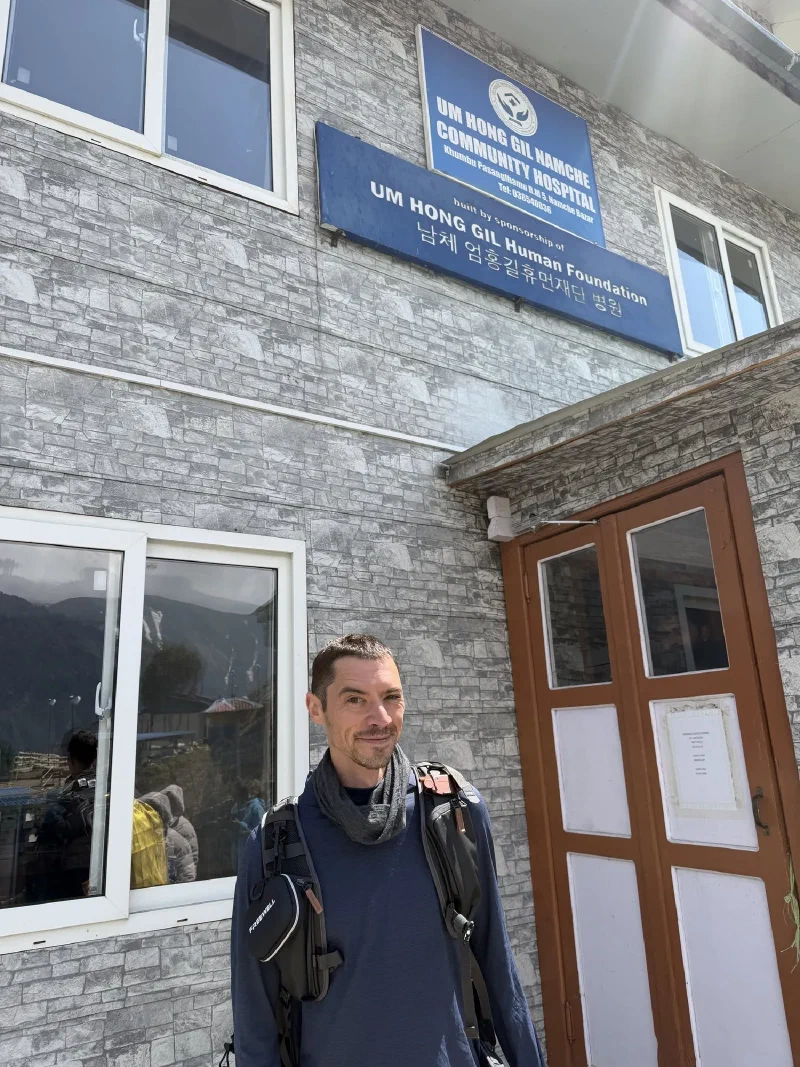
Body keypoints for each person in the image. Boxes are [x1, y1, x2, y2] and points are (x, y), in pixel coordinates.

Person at [231, 634, 544, 1067]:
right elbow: (255, 1015)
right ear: (316, 708)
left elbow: (497, 962)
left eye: (391, 697)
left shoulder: (453, 813)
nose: (379, 718)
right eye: (355, 699)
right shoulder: (274, 844)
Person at [30, 729, 97, 901]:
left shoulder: (66, 794)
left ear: (71, 760)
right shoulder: (105, 785)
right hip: (99, 862)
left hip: (74, 867)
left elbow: (56, 830)